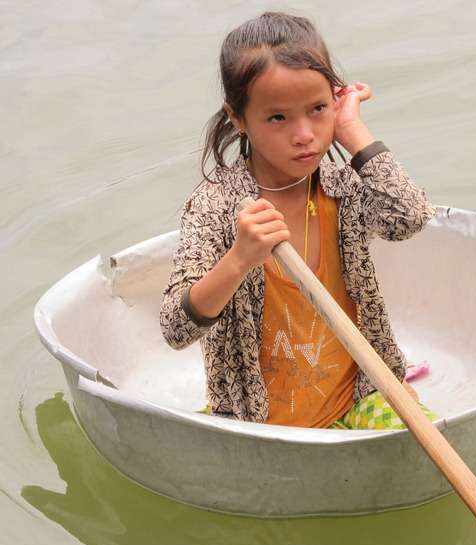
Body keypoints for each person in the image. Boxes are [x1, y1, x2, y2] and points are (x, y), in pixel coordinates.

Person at [160, 11, 437, 429]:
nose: (304, 133)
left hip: (359, 396)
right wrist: (239, 259)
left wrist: (350, 129)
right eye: (278, 118)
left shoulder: (341, 188)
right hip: (260, 424)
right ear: (238, 118)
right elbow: (176, 328)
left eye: (318, 108)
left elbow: (409, 217)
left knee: (426, 444)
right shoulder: (215, 205)